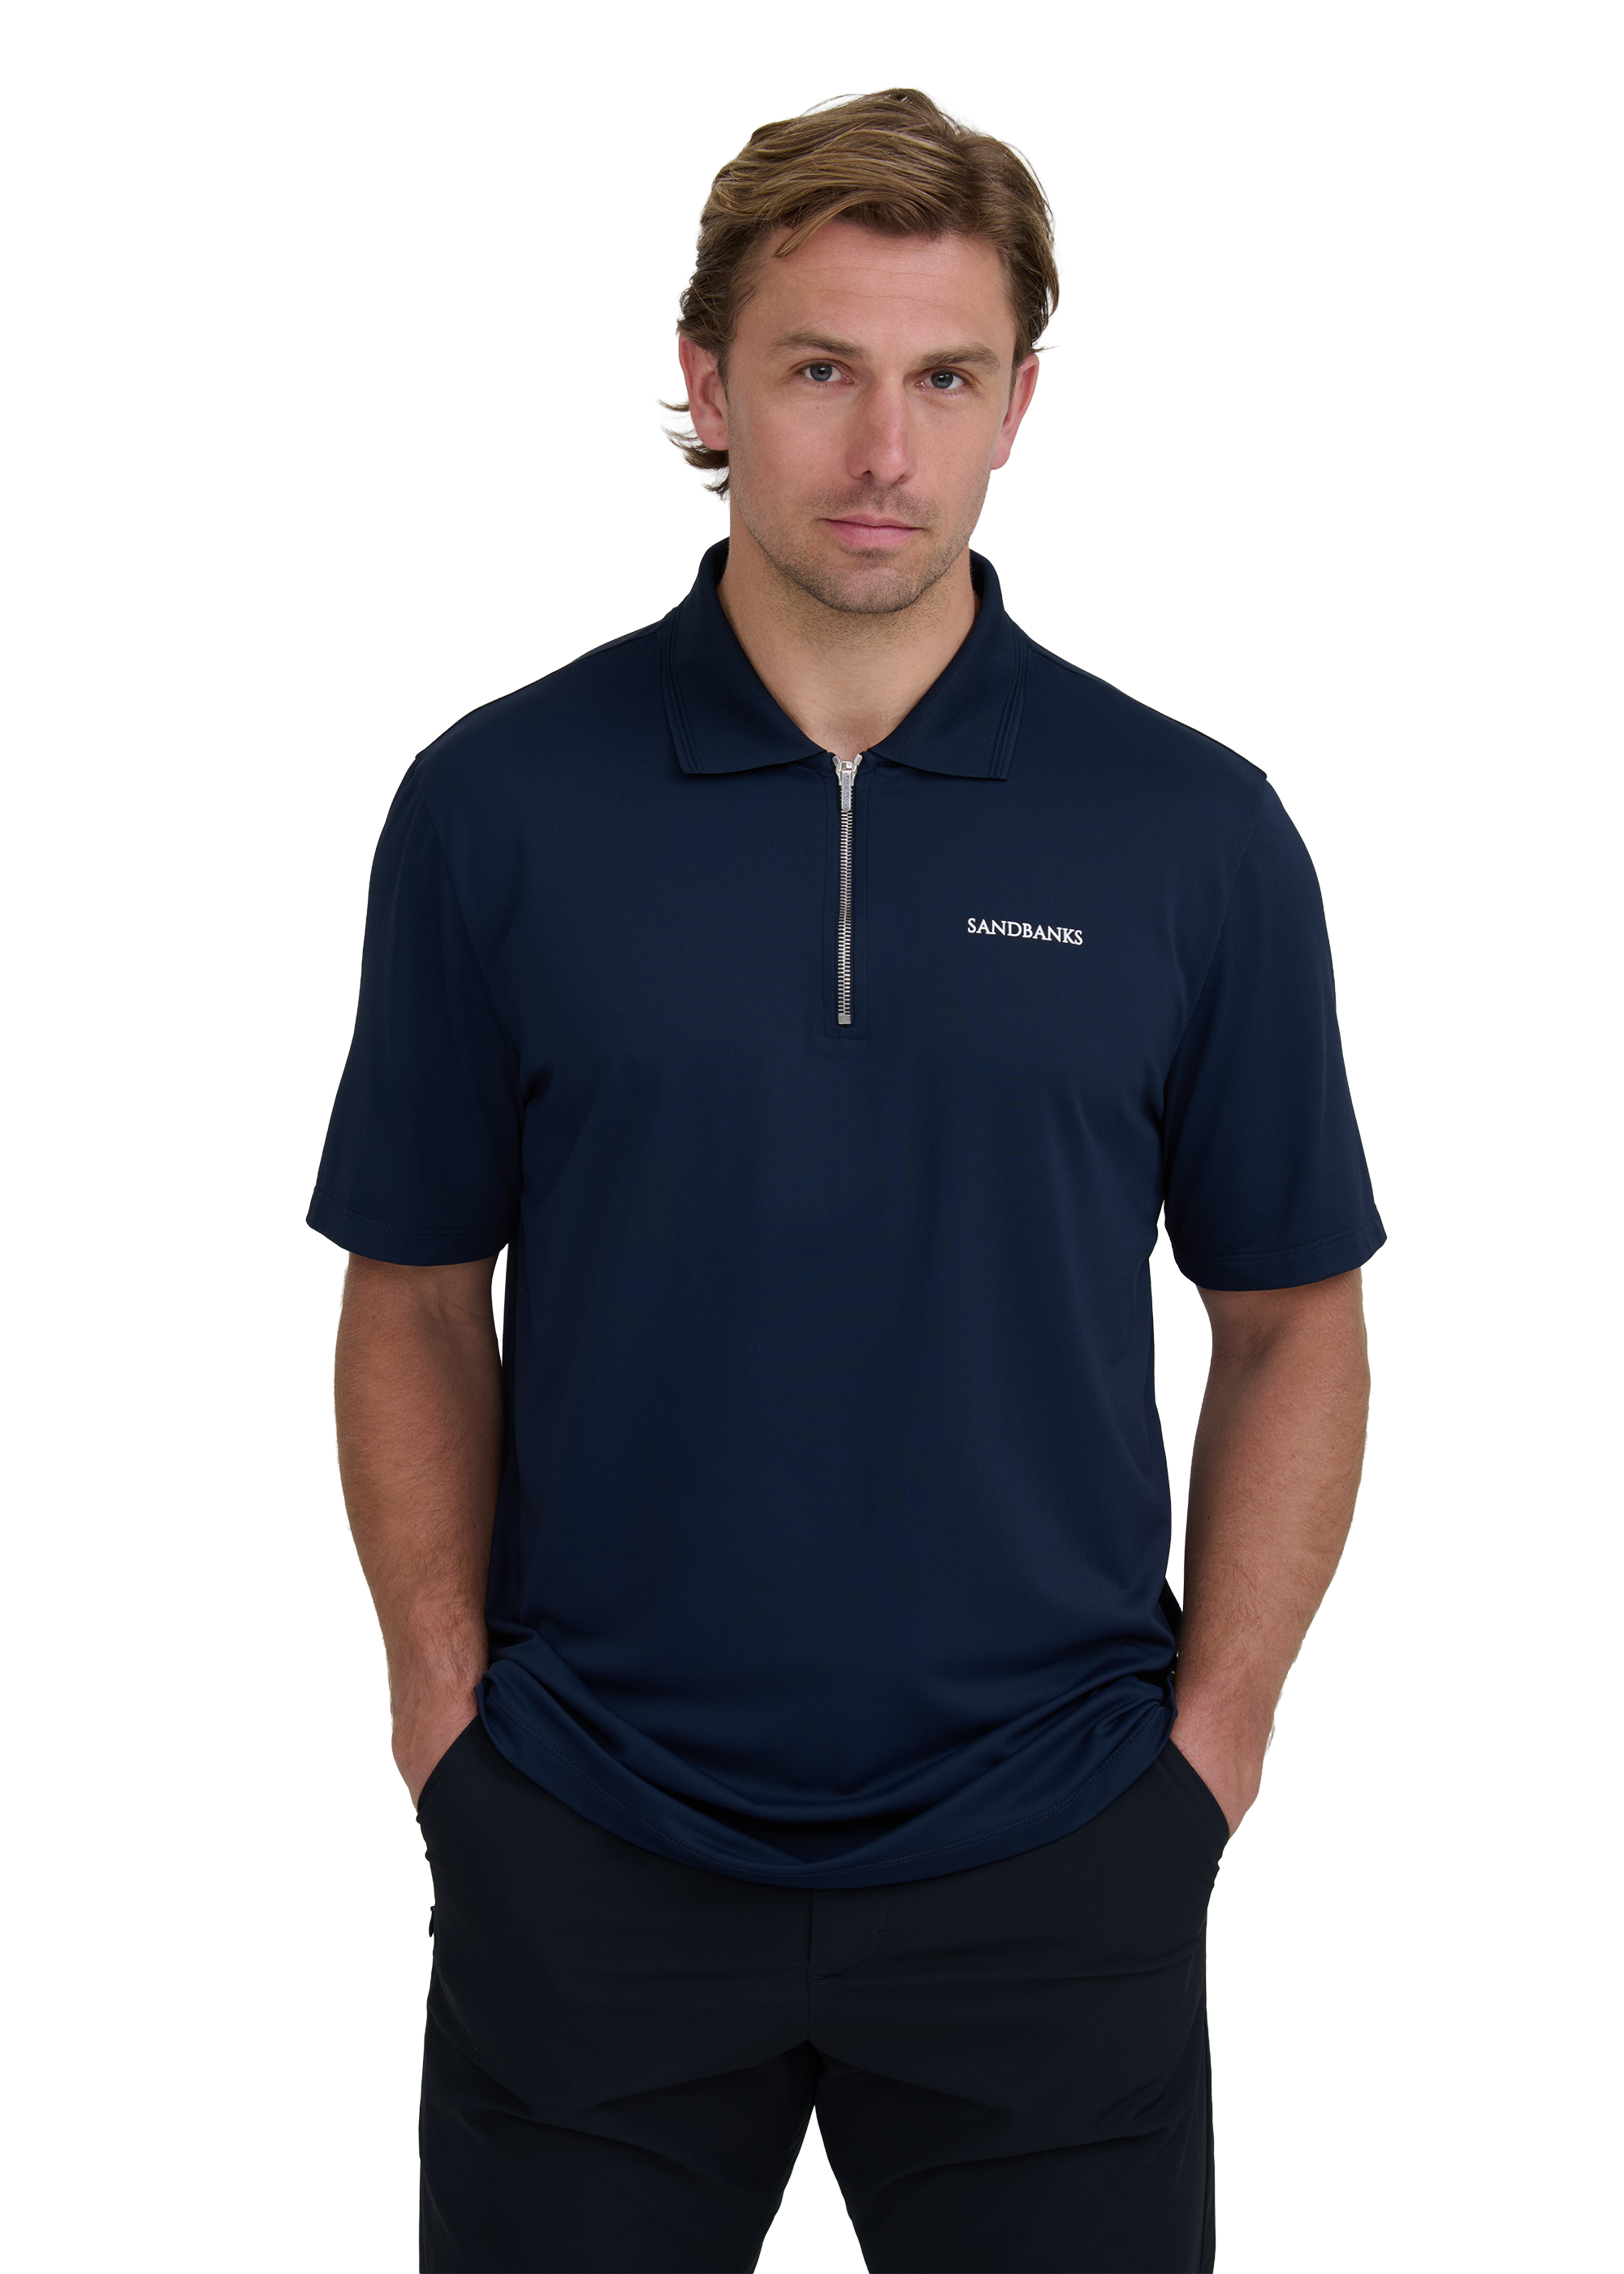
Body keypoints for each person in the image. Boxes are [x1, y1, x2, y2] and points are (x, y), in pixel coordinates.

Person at [309, 86, 1384, 2274]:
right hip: (589, 1850)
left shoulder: (1191, 833)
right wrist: (443, 1728)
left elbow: (1290, 1320)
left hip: (1055, 1858)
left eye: (947, 378)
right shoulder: (498, 807)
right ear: (706, 388)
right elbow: (411, 1289)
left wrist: (1208, 1755)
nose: (885, 449)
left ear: (1020, 409)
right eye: (821, 369)